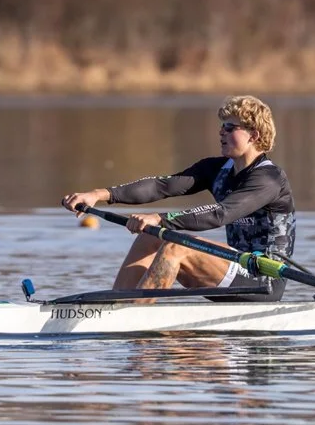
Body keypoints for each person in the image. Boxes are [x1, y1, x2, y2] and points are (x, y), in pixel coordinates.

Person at [62, 95, 295, 301]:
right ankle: (117, 306)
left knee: (176, 246)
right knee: (148, 238)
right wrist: (98, 194)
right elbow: (161, 186)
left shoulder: (269, 179)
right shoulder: (216, 169)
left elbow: (221, 213)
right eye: (222, 126)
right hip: (232, 270)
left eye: (230, 127)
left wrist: (159, 218)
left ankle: (137, 317)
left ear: (253, 135)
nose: (221, 131)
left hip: (264, 280)